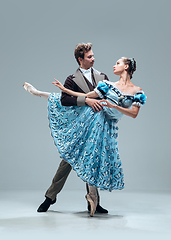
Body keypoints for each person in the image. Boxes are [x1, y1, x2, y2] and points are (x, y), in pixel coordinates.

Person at [23, 55, 146, 217]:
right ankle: (50, 197)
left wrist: (113, 105)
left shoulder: (137, 91)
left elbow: (134, 114)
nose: (114, 65)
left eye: (118, 63)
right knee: (69, 157)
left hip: (105, 128)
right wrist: (65, 91)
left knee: (93, 159)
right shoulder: (107, 85)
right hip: (89, 119)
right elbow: (86, 97)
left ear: (126, 67)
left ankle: (94, 201)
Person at [24, 43, 109, 215]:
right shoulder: (72, 79)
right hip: (78, 129)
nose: (93, 59)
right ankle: (50, 197)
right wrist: (86, 101)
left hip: (95, 127)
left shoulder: (102, 77)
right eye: (89, 57)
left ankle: (94, 202)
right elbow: (64, 100)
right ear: (80, 59)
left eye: (93, 56)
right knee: (66, 162)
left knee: (91, 163)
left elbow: (107, 98)